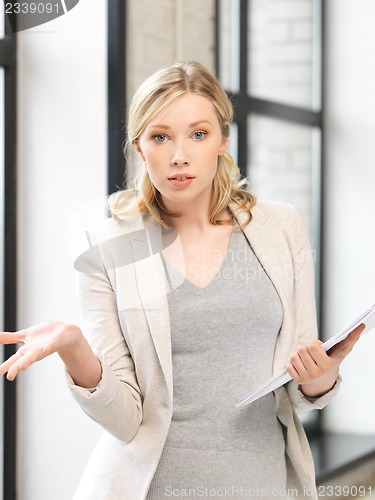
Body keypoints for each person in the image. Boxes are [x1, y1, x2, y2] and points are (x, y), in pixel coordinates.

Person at [0, 61, 363, 500]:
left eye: (198, 134)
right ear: (139, 146)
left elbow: (304, 388)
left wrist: (321, 377)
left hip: (261, 483)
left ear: (223, 141)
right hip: (150, 486)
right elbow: (124, 419)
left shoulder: (281, 227)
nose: (179, 156)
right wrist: (74, 346)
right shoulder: (107, 246)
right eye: (160, 136)